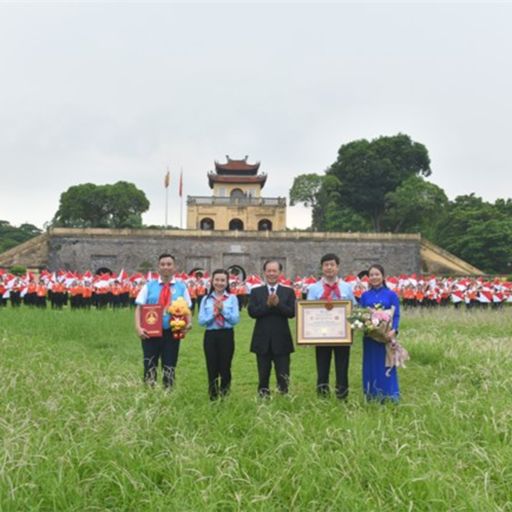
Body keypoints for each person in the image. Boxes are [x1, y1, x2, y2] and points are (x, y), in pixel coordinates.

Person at [135, 253, 192, 389]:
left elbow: (187, 308)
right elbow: (139, 308)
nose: (166, 267)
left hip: (172, 332)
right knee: (149, 364)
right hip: (150, 333)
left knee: (170, 364)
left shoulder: (181, 287)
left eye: (169, 264)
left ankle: (168, 393)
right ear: (158, 267)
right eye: (163, 264)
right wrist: (138, 328)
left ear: (174, 267)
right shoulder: (149, 286)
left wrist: (189, 323)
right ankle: (150, 393)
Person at [307, 253, 356, 399]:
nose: (329, 268)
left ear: (338, 267)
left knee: (342, 366)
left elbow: (354, 307)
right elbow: (308, 311)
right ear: (322, 268)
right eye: (326, 265)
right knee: (322, 366)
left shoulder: (347, 287)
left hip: (342, 334)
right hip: (321, 334)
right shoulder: (314, 289)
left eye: (332, 265)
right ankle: (322, 395)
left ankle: (342, 395)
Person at [248, 260, 296, 397]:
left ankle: (284, 397)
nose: (271, 274)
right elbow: (252, 312)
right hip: (262, 339)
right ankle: (263, 398)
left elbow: (291, 313)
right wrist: (268, 305)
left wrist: (278, 304)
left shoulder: (288, 292)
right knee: (263, 375)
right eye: (268, 271)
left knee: (283, 375)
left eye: (274, 271)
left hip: (282, 339)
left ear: (280, 273)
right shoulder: (256, 292)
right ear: (264, 272)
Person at [359, 264, 401, 402]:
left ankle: (389, 395)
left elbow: (396, 315)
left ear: (383, 276)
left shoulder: (391, 294)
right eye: (371, 275)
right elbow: (361, 314)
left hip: (386, 338)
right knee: (370, 365)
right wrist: (367, 325)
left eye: (377, 274)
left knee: (387, 364)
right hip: (370, 337)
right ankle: (371, 395)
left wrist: (393, 330)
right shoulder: (364, 296)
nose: (374, 277)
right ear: (368, 278)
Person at [198, 269, 240, 400]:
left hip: (226, 335)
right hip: (211, 335)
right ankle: (213, 395)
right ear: (212, 281)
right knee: (211, 366)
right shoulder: (206, 299)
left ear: (227, 282)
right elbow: (201, 321)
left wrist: (223, 311)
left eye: (223, 280)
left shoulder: (232, 298)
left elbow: (235, 320)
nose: (219, 283)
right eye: (217, 280)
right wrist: (214, 314)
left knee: (225, 366)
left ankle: (225, 394)